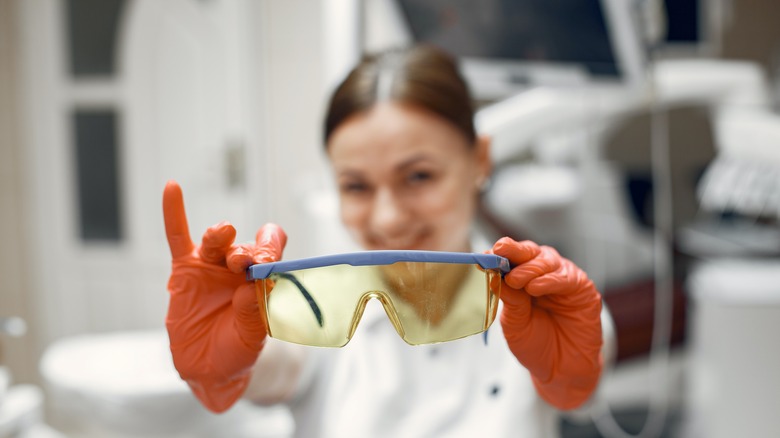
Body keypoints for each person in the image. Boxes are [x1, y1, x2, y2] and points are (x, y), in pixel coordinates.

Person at [163, 45, 604, 437]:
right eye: (356, 186)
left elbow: (576, 384)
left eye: (418, 176)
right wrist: (229, 370)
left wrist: (569, 380)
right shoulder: (313, 309)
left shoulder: (551, 305)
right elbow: (274, 366)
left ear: (479, 161)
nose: (388, 218)